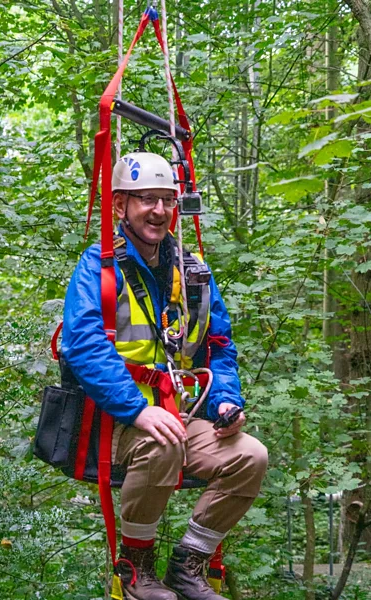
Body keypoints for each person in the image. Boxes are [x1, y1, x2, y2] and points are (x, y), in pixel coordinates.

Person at [62, 151, 268, 600]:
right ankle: (135, 566)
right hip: (115, 419)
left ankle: (189, 563)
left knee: (250, 455)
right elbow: (82, 343)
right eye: (146, 200)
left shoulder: (192, 272)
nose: (159, 210)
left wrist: (225, 402)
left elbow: (218, 346)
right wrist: (137, 409)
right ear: (121, 206)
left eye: (167, 201)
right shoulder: (99, 266)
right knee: (163, 439)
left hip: (179, 413)